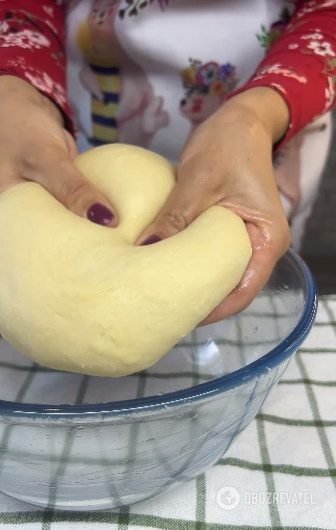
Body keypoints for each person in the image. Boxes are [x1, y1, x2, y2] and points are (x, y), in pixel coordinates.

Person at [0, 0, 335, 324]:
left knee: (249, 290)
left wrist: (259, 115)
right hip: (85, 107)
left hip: (263, 130)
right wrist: (17, 86)